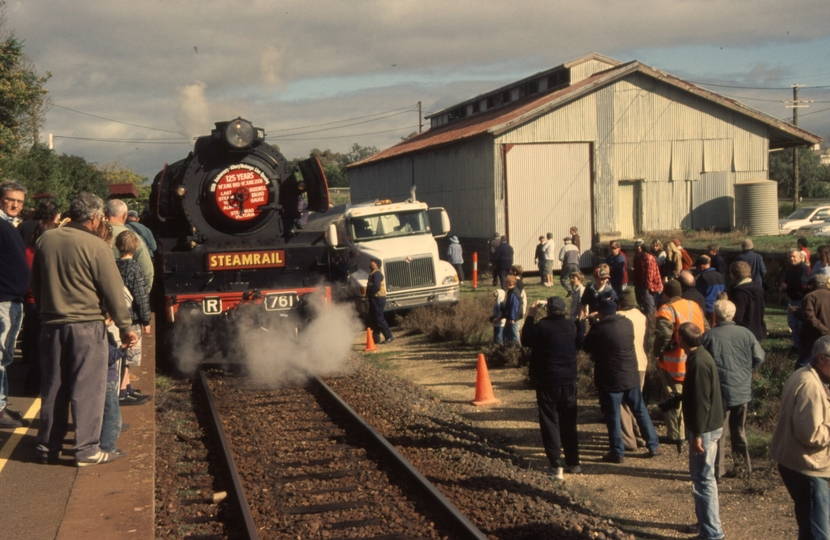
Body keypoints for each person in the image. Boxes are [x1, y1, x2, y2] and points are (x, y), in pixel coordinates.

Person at [32, 192, 138, 466]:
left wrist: (46, 313)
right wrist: (126, 327)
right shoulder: (97, 246)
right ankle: (86, 450)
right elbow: (114, 292)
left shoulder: (46, 239)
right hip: (87, 328)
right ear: (93, 218)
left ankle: (48, 447)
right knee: (88, 390)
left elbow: (37, 283)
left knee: (53, 388)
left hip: (51, 326)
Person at [583, 294, 661, 463]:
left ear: (601, 313)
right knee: (640, 411)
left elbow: (586, 345)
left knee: (613, 415)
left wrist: (593, 323)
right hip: (630, 375)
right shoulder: (627, 323)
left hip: (610, 379)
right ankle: (653, 445)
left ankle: (617, 452)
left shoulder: (600, 329)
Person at [770, 335, 830, 540]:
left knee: (808, 525)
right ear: (821, 358)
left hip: (795, 461)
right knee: (819, 531)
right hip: (807, 467)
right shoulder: (810, 386)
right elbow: (810, 434)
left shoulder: (803, 373)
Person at [701, 300, 764, 482]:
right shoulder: (746, 334)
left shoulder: (709, 336)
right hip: (742, 389)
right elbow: (759, 357)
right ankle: (744, 467)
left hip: (720, 391)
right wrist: (745, 369)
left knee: (719, 432)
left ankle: (718, 470)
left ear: (715, 315)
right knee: (739, 430)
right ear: (733, 314)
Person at [522, 297, 581, 479]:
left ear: (547, 310)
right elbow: (579, 342)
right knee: (569, 421)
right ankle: (573, 462)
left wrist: (531, 315)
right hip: (569, 380)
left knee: (550, 421)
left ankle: (556, 464)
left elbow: (525, 340)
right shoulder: (571, 325)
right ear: (563, 310)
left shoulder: (541, 327)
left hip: (547, 381)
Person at [678, 322, 725, 540]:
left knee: (703, 479)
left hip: (704, 429)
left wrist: (696, 434)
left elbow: (700, 401)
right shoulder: (703, 356)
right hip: (711, 424)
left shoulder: (697, 362)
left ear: (682, 340)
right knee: (705, 478)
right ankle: (705, 524)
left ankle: (712, 532)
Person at [653, 279, 707, 449]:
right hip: (695, 358)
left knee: (673, 397)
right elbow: (705, 327)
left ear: (666, 294)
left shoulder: (666, 309)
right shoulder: (694, 305)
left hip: (673, 363)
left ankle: (676, 435)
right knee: (690, 397)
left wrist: (657, 352)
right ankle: (690, 431)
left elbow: (663, 334)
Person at [0, 180, 29, 428]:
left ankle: (2, 406)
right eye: (11, 199)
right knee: (0, 356)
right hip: (2, 301)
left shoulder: (10, 226)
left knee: (5, 356)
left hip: (12, 300)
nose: (15, 205)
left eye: (20, 201)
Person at [115, 231, 153, 406]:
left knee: (124, 355)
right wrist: (146, 321)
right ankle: (122, 392)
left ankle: (128, 387)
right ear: (136, 247)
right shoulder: (135, 269)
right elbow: (141, 296)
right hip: (132, 319)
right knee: (127, 356)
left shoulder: (114, 265)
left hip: (117, 316)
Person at [617, 289, 649, 451]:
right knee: (638, 402)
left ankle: (628, 440)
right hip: (641, 363)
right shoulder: (642, 317)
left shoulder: (620, 317)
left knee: (623, 404)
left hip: (625, 365)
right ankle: (642, 435)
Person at [106, 199, 154, 291]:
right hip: (126, 296)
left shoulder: (94, 236)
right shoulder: (134, 238)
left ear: (105, 214)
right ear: (124, 215)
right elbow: (147, 272)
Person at [102, 319, 128, 457]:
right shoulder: (104, 334)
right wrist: (124, 348)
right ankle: (108, 447)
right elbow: (109, 357)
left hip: (100, 380)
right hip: (108, 379)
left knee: (105, 415)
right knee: (113, 419)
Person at [795, 274, 830, 370]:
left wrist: (824, 330)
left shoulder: (810, 296)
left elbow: (810, 318)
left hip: (814, 336)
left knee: (803, 363)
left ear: (812, 285)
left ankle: (798, 382)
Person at [728, 261, 766, 342]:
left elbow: (738, 315)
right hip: (757, 329)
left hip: (743, 331)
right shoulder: (757, 287)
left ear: (735, 274)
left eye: (731, 273)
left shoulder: (740, 293)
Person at [782, 248, 811, 352]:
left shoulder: (804, 269)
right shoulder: (790, 268)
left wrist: (787, 287)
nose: (792, 258)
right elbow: (786, 280)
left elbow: (803, 285)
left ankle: (799, 344)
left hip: (800, 299)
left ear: (800, 257)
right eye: (790, 257)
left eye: (794, 256)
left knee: (799, 323)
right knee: (791, 322)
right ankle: (796, 342)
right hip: (792, 298)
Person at [366, 258, 393, 345]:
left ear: (376, 264)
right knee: (374, 318)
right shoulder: (372, 274)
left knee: (379, 318)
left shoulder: (377, 274)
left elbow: (376, 287)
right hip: (374, 298)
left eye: (372, 262)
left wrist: (369, 294)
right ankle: (376, 339)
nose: (370, 263)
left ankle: (389, 336)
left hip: (378, 298)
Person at [632, 238, 663, 314]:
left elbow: (650, 274)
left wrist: (648, 287)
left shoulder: (649, 258)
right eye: (637, 246)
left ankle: (651, 320)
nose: (638, 248)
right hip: (639, 283)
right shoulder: (637, 257)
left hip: (649, 285)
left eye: (640, 246)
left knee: (649, 304)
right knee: (640, 302)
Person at [695, 255, 726, 327]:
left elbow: (699, 293)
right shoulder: (720, 276)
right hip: (719, 308)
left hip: (707, 309)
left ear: (701, 267)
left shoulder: (702, 278)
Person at [503, 275, 522, 346]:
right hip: (511, 317)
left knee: (514, 334)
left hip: (512, 318)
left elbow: (513, 306)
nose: (504, 284)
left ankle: (517, 350)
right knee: (508, 334)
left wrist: (512, 318)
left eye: (506, 282)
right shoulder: (511, 291)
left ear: (510, 283)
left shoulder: (513, 293)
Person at [569, 272, 587, 348]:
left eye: (574, 278)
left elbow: (582, 304)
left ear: (580, 280)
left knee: (580, 335)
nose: (571, 280)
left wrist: (580, 316)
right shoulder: (575, 289)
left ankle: (581, 348)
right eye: (571, 278)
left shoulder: (581, 290)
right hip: (573, 316)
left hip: (579, 316)